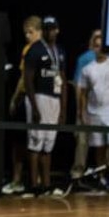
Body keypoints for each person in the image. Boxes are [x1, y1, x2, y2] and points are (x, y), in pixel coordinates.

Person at [23, 15, 67, 197]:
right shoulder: (35, 49)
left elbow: (63, 81)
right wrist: (34, 107)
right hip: (39, 97)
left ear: (57, 30)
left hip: (54, 99)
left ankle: (47, 184)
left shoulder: (60, 51)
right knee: (35, 142)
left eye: (53, 28)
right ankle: (34, 185)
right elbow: (28, 80)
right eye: (47, 29)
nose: (51, 32)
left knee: (49, 143)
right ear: (44, 30)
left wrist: (63, 110)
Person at [2, 16, 43, 195]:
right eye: (25, 33)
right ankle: (21, 180)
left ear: (40, 31)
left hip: (33, 101)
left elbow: (24, 80)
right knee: (22, 141)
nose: (27, 36)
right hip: (31, 100)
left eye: (31, 32)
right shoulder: (30, 49)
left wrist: (14, 99)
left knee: (33, 143)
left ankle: (33, 181)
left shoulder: (38, 50)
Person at [69, 29, 103, 179]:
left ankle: (101, 174)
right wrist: (79, 110)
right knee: (82, 141)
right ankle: (77, 172)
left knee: (102, 143)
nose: (98, 41)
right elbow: (78, 87)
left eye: (101, 38)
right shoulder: (84, 59)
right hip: (86, 107)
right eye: (96, 37)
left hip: (103, 109)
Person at [77, 37, 109, 191]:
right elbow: (82, 93)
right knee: (99, 148)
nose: (99, 49)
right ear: (93, 48)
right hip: (94, 113)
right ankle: (101, 177)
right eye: (96, 46)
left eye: (101, 46)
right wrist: (82, 113)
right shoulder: (87, 69)